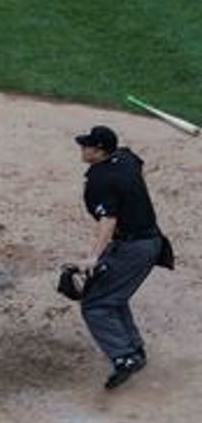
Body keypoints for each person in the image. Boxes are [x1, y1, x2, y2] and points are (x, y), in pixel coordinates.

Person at [73, 126, 173, 390]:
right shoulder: (125, 158)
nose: (82, 149)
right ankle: (134, 350)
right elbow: (139, 167)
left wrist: (93, 257)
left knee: (95, 305)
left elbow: (108, 220)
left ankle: (124, 357)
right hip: (148, 240)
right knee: (111, 295)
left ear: (100, 150)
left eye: (87, 146)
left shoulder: (101, 181)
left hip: (134, 248)